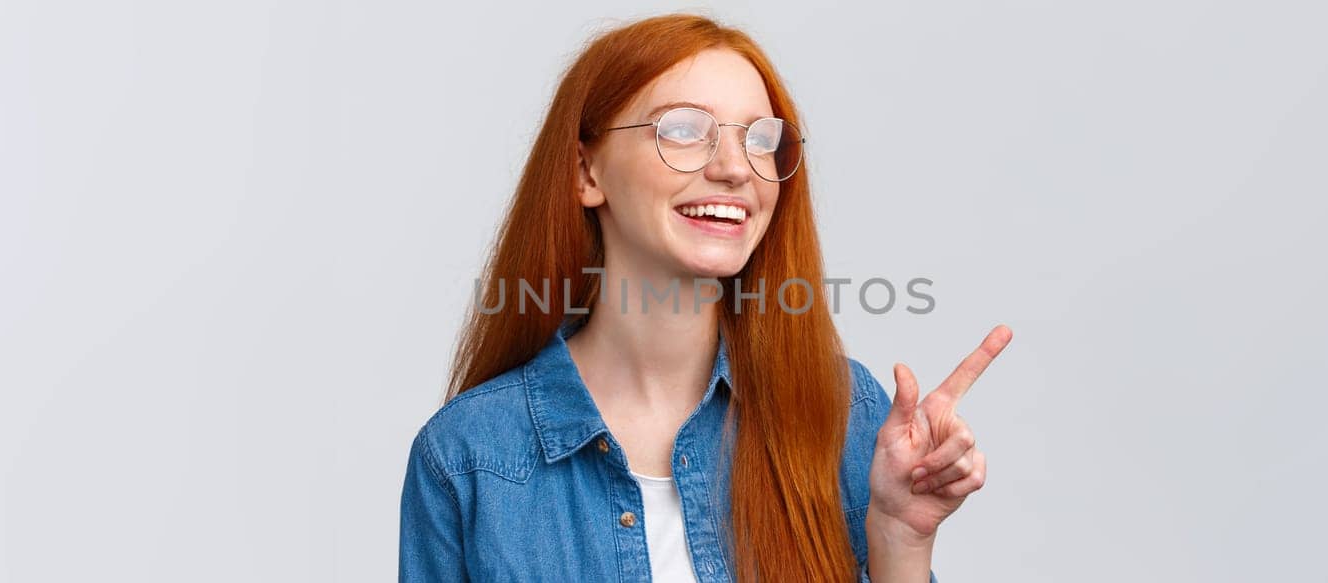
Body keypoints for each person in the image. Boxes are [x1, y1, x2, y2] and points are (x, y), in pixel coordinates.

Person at [399, 13, 1012, 582]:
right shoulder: (468, 457)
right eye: (685, 130)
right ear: (587, 173)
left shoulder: (845, 415)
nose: (735, 168)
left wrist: (900, 540)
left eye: (759, 139)